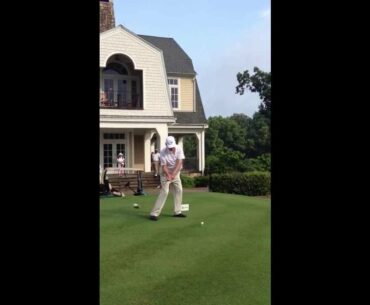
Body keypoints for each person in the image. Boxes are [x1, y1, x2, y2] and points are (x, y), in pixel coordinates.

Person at [149, 136, 186, 221]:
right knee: (165, 191)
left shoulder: (179, 149)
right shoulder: (163, 152)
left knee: (179, 190)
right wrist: (168, 175)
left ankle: (177, 212)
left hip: (176, 172)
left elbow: (179, 163)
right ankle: (154, 213)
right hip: (165, 173)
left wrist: (173, 175)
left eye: (172, 147)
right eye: (169, 147)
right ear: (166, 145)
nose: (171, 149)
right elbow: (164, 166)